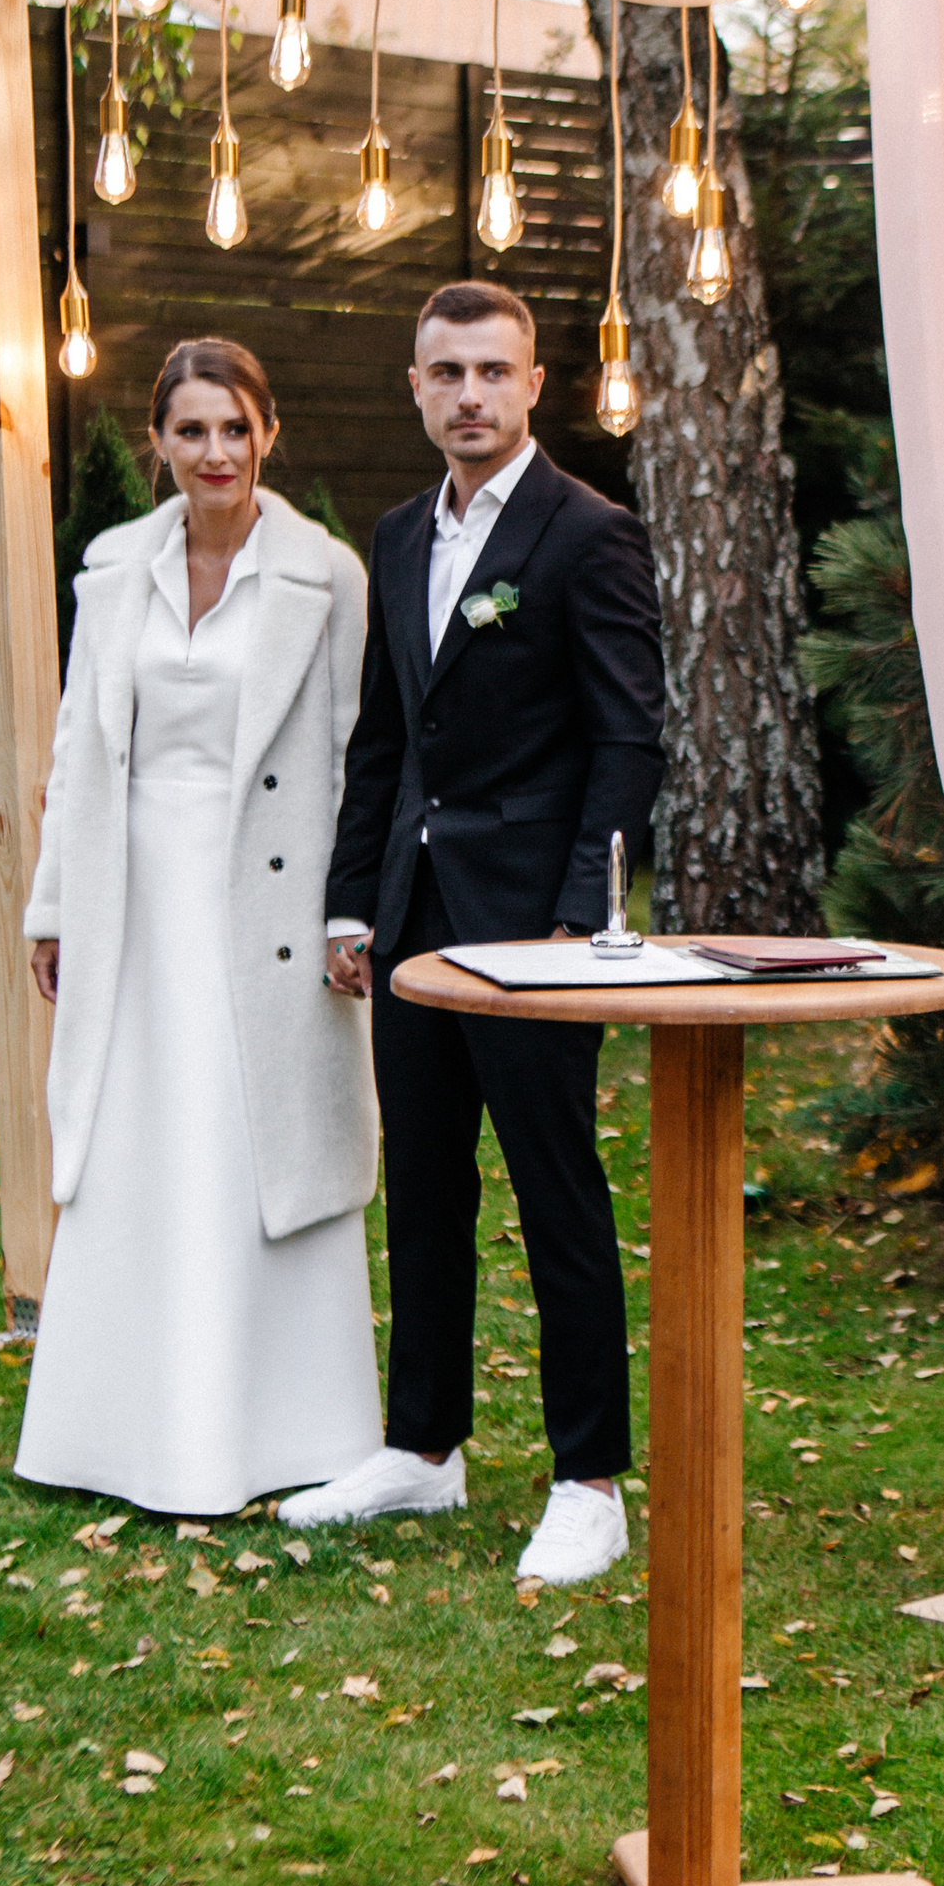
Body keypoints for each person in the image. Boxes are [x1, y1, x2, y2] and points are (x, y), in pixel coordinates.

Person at [299, 280, 666, 1588]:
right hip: (416, 921)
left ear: (531, 387)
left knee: (556, 1193)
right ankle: (424, 1448)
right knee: (430, 1189)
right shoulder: (400, 538)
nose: (468, 396)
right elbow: (386, 741)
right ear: (414, 386)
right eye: (445, 373)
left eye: (492, 373)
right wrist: (355, 902)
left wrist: (582, 918)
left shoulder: (589, 536)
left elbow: (628, 743)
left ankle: (588, 1479)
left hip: (537, 931)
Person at [16, 339, 381, 1516]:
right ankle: (113, 1434)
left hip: (272, 898)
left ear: (269, 433)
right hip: (134, 895)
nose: (214, 453)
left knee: (255, 1139)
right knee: (136, 1146)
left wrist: (347, 911)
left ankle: (284, 1432)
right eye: (191, 431)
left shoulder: (326, 576)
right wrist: (55, 902)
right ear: (158, 443)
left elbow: (353, 759)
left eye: (235, 428)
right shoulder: (113, 569)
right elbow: (80, 749)